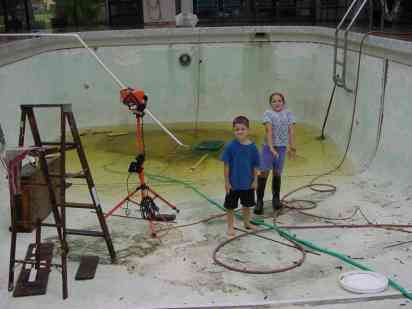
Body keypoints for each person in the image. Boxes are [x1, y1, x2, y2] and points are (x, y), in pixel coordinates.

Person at [254, 92, 296, 217]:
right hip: (268, 148)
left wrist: (292, 147)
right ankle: (259, 201)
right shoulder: (268, 114)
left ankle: (275, 199)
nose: (277, 103)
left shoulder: (288, 114)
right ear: (270, 103)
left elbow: (291, 131)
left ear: (283, 102)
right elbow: (269, 131)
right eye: (274, 101)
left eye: (279, 101)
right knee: (264, 173)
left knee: (277, 173)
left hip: (282, 148)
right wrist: (271, 148)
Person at [220, 116, 260, 237]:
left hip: (248, 183)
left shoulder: (253, 147)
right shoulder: (230, 146)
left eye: (243, 129)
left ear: (248, 130)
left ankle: (247, 223)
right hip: (233, 184)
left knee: (247, 205)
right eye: (237, 129)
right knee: (230, 207)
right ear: (233, 131)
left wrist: (255, 180)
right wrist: (227, 182)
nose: (240, 131)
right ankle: (230, 226)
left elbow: (256, 166)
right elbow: (226, 166)